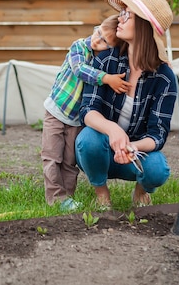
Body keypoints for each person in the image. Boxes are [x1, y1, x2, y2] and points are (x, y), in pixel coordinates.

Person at [75, 0, 178, 210]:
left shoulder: (164, 78)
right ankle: (102, 194)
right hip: (101, 150)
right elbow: (88, 110)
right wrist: (113, 130)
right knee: (87, 140)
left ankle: (142, 191)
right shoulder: (106, 60)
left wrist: (132, 146)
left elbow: (157, 135)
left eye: (127, 15)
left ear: (143, 26)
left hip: (134, 155)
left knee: (158, 170)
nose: (120, 19)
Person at [42, 14, 131, 211]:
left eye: (104, 41)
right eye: (98, 32)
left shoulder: (104, 60)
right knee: (52, 156)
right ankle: (55, 197)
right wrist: (106, 78)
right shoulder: (79, 47)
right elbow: (79, 69)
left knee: (68, 160)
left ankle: (67, 197)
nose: (96, 39)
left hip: (75, 119)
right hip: (56, 111)